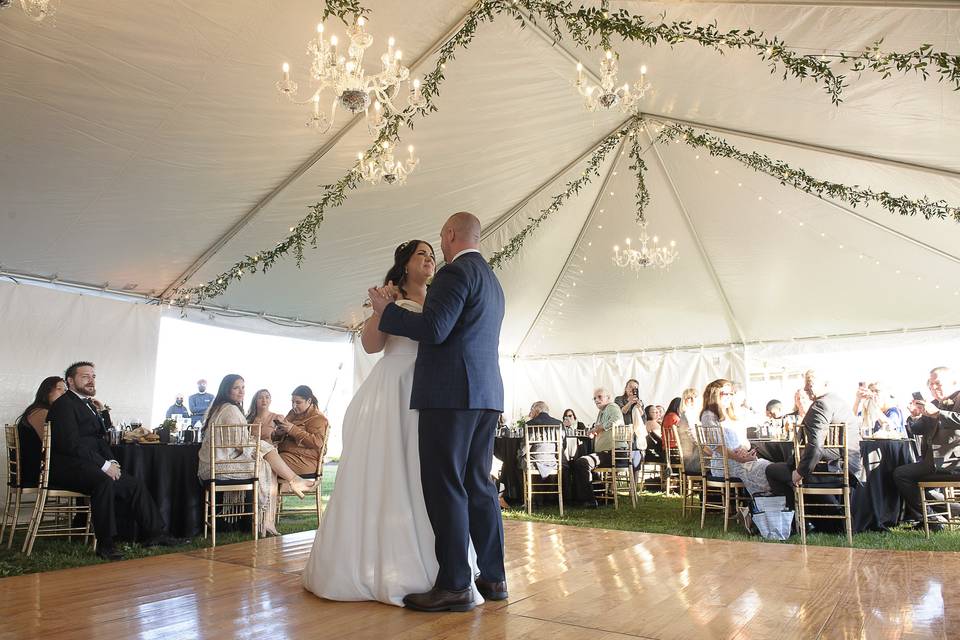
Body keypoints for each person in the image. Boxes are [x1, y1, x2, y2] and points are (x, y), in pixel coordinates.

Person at [369, 214, 506, 612]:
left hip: (449, 395)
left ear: (449, 235)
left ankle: (455, 584)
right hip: (485, 395)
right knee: (479, 485)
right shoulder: (492, 281)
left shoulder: (454, 272)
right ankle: (494, 577)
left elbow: (436, 328)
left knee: (445, 486)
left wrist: (386, 311)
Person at [48, 362, 180, 560]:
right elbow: (71, 444)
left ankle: (155, 533)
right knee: (104, 482)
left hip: (89, 463)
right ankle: (106, 544)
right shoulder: (63, 405)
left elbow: (99, 438)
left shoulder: (88, 404)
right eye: (85, 376)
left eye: (93, 376)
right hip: (67, 467)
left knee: (134, 484)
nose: (91, 380)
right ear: (70, 381)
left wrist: (111, 460)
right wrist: (104, 466)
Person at [198, 375, 315, 537]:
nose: (241, 391)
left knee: (265, 458)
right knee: (267, 465)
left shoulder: (220, 407)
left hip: (212, 464)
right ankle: (268, 519)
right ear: (227, 390)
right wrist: (261, 444)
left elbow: (241, 441)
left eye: (243, 387)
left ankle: (288, 490)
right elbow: (241, 443)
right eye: (236, 388)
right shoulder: (231, 410)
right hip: (221, 465)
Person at [765, 370, 863, 510]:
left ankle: (794, 518)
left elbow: (815, 447)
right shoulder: (839, 402)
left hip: (830, 470)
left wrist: (799, 473)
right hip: (848, 469)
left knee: (771, 470)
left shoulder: (821, 405)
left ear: (825, 384)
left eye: (809, 384)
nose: (805, 388)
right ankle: (824, 516)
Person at [893, 367, 960, 530]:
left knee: (903, 475)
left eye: (937, 383)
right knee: (908, 478)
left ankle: (933, 521)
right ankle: (934, 520)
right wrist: (916, 415)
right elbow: (918, 429)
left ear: (954, 382)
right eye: (930, 385)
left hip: (954, 462)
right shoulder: (935, 404)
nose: (933, 388)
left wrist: (938, 414)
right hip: (934, 463)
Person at [700, 379, 771, 496]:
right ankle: (761, 508)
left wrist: (743, 450)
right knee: (768, 470)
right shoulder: (708, 416)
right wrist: (739, 458)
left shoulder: (730, 415)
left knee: (770, 467)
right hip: (724, 466)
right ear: (715, 394)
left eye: (731, 394)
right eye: (725, 394)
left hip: (738, 461)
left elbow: (744, 441)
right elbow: (717, 447)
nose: (729, 397)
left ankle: (765, 508)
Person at [571, 387, 625, 508]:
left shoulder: (612, 407)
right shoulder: (602, 412)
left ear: (608, 398)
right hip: (607, 453)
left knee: (582, 462)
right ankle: (600, 495)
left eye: (600, 397)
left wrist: (599, 428)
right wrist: (594, 431)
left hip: (614, 453)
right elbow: (600, 428)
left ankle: (590, 500)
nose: (596, 400)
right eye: (594, 398)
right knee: (582, 462)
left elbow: (617, 420)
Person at [14, 376, 66, 487]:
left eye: (65, 390)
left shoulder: (39, 410)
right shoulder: (41, 412)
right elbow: (53, 444)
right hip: (35, 472)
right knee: (89, 474)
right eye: (59, 389)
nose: (63, 393)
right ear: (47, 391)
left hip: (36, 468)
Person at [276, 385, 330, 477]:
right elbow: (281, 436)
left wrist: (292, 429)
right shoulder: (292, 413)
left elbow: (318, 443)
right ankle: (273, 491)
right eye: (292, 402)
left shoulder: (319, 419)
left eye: (298, 402)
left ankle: (273, 490)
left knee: (268, 464)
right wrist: (278, 433)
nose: (294, 406)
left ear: (309, 401)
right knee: (264, 460)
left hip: (306, 460)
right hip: (287, 454)